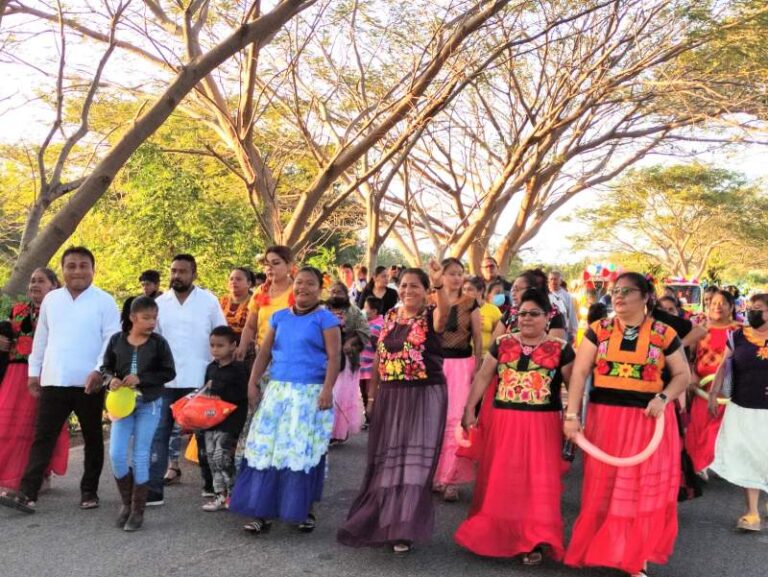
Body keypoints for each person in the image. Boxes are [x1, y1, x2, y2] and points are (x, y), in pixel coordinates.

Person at [563, 272, 690, 577]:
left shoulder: (663, 333)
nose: (618, 297)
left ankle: (637, 560)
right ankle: (606, 550)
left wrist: (664, 397)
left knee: (640, 492)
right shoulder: (599, 330)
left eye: (627, 291)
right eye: (615, 291)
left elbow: (683, 375)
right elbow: (579, 373)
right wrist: (571, 416)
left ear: (646, 297)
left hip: (648, 422)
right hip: (605, 422)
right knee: (604, 490)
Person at [455, 288, 575, 564]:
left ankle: (534, 540)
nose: (527, 318)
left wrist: (572, 418)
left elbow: (574, 387)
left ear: (548, 317)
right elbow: (483, 377)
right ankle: (502, 534)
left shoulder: (561, 348)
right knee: (504, 479)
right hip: (505, 423)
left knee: (537, 482)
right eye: (522, 313)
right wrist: (469, 409)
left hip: (543, 426)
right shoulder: (503, 343)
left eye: (534, 314)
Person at [337, 261, 449, 553]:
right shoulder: (390, 316)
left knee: (412, 462)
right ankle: (384, 518)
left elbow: (444, 313)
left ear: (426, 290)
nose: (408, 290)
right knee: (387, 459)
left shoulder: (431, 316)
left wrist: (440, 284)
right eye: (404, 285)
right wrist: (372, 397)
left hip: (422, 395)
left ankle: (404, 527)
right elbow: (379, 358)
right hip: (390, 395)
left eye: (415, 286)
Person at [1, 247, 121, 513]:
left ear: (93, 269)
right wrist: (34, 373)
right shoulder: (52, 300)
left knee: (92, 438)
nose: (77, 271)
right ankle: (27, 493)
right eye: (71, 266)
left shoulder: (105, 301)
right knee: (42, 437)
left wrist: (99, 371)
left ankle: (89, 491)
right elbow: (41, 339)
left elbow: (112, 340)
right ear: (63, 270)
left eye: (83, 265)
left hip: (89, 383)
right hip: (54, 379)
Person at [229, 267, 341, 534]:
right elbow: (264, 352)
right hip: (277, 392)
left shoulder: (326, 320)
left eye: (310, 283)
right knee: (267, 448)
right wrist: (252, 382)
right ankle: (262, 512)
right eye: (299, 282)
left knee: (301, 450)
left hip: (309, 394)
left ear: (320, 289)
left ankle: (304, 510)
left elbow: (334, 357)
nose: (303, 288)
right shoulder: (279, 317)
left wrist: (327, 390)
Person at [149, 254, 227, 506]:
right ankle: (153, 490)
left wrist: (218, 373)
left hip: (199, 379)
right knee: (159, 434)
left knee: (205, 436)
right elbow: (152, 341)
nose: (177, 276)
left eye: (182, 271)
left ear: (194, 274)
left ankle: (210, 485)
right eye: (173, 271)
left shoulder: (208, 301)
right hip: (166, 382)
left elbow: (221, 335)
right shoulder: (160, 303)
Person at [101, 297, 176, 531]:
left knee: (141, 455)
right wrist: (110, 380)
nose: (152, 322)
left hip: (149, 403)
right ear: (133, 318)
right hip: (122, 405)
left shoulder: (159, 343)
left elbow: (169, 372)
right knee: (116, 454)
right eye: (146, 318)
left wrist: (141, 379)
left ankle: (137, 511)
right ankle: (126, 503)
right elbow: (105, 368)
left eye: (154, 318)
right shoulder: (116, 340)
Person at [0, 268, 69, 494]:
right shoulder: (17, 310)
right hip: (15, 374)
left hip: (45, 374)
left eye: (41, 281)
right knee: (6, 425)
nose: (34, 285)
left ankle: (40, 475)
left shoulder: (61, 312)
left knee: (39, 427)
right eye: (32, 281)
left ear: (54, 285)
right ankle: (8, 476)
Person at [709, 293, 768, 532]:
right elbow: (723, 366)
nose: (752, 312)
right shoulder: (737, 336)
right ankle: (752, 514)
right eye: (751, 307)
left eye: (758, 308)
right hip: (742, 408)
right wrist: (713, 393)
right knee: (746, 457)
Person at [433, 258, 482, 502]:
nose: (456, 277)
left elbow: (478, 339)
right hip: (435, 365)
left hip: (462, 366)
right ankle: (433, 475)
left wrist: (478, 369)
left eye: (460, 273)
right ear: (440, 276)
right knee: (434, 420)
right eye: (451, 273)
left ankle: (451, 480)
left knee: (455, 422)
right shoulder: (431, 300)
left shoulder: (471, 303)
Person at [685, 290, 739, 478]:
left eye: (723, 303)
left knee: (717, 427)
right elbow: (687, 356)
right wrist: (691, 376)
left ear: (731, 307)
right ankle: (696, 467)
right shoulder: (700, 328)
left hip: (727, 387)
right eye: (714, 303)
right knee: (698, 426)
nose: (717, 307)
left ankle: (707, 464)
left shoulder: (739, 331)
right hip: (701, 386)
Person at [201, 326, 249, 512]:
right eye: (212, 345)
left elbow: (243, 394)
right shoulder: (211, 368)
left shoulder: (239, 368)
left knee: (223, 457)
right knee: (212, 458)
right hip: (211, 420)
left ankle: (234, 494)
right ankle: (219, 495)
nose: (215, 349)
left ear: (233, 346)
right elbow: (205, 390)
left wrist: (221, 396)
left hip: (230, 421)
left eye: (220, 345)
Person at [325, 282, 370, 443]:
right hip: (325, 359)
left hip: (347, 360)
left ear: (346, 294)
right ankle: (324, 431)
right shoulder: (322, 310)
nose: (335, 295)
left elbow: (365, 331)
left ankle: (338, 432)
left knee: (340, 396)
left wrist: (350, 342)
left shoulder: (354, 311)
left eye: (339, 292)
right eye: (332, 292)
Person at [236, 246, 295, 361]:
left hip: (289, 355)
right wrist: (242, 348)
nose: (270, 268)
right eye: (267, 264)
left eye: (276, 263)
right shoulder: (261, 291)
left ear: (289, 266)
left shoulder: (298, 291)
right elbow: (250, 326)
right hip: (262, 354)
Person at [493, 270, 567, 342]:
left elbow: (554, 348)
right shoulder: (511, 312)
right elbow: (494, 343)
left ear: (533, 290)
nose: (513, 293)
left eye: (517, 289)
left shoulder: (554, 315)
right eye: (513, 289)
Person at [359, 296, 384, 427]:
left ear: (374, 311)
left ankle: (374, 417)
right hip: (361, 365)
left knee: (371, 392)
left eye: (366, 308)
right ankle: (367, 418)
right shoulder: (363, 323)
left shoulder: (380, 325)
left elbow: (380, 346)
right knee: (363, 393)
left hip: (372, 365)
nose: (363, 310)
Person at [463, 275, 502, 356]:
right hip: (464, 355)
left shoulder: (493, 310)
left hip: (487, 356)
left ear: (481, 291)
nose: (465, 293)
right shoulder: (459, 309)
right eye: (464, 289)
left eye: (470, 289)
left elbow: (499, 336)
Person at [120, 269, 163, 333]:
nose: (145, 288)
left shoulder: (164, 303)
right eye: (143, 285)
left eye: (148, 284)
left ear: (157, 285)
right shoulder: (139, 303)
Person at [219, 267, 255, 340]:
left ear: (249, 283)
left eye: (238, 279)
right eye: (231, 279)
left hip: (245, 344)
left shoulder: (255, 303)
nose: (233, 282)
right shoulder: (221, 301)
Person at [549, 270, 578, 343]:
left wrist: (573, 331)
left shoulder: (567, 296)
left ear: (560, 281)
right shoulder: (546, 295)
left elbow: (571, 313)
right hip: (548, 329)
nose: (553, 281)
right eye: (551, 279)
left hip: (563, 329)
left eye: (555, 279)